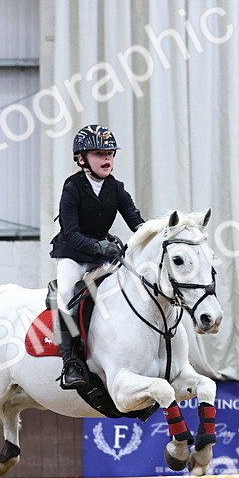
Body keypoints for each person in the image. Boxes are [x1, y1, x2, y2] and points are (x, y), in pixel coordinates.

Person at [48, 124, 145, 390]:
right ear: (82, 159)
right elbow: (71, 233)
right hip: (72, 254)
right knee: (65, 293)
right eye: (100, 154)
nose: (107, 159)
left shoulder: (116, 188)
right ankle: (70, 362)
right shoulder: (72, 187)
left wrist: (159, 234)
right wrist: (99, 247)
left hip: (101, 254)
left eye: (110, 154)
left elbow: (137, 224)